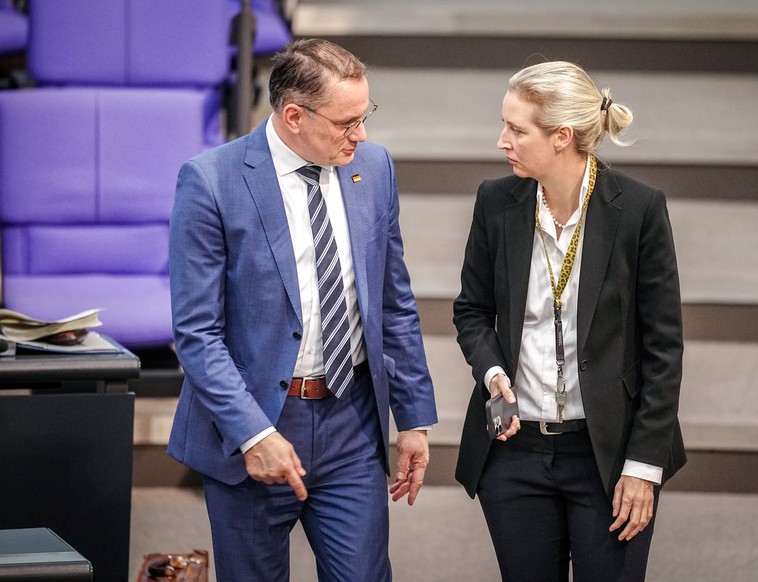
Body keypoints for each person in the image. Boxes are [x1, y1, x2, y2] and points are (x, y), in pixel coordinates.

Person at [167, 38, 438, 582]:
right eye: (346, 122)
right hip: (256, 423)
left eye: (365, 117)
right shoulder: (212, 181)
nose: (359, 135)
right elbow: (197, 333)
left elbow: (393, 302)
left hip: (352, 420)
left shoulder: (374, 168)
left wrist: (413, 418)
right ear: (294, 116)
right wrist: (254, 434)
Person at [453, 61, 686, 581]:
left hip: (607, 455)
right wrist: (493, 375)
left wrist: (643, 468)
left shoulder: (639, 210)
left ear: (561, 137)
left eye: (517, 129)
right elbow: (471, 311)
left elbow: (663, 350)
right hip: (515, 454)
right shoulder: (496, 202)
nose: (501, 141)